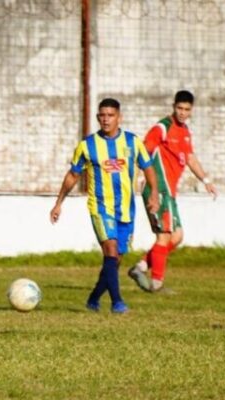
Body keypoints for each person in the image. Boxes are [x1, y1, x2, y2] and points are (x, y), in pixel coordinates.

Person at [50, 98, 159, 313]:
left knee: (115, 260)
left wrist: (154, 193)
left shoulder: (132, 142)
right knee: (109, 251)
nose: (105, 119)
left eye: (110, 115)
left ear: (119, 117)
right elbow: (73, 175)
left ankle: (93, 299)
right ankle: (117, 302)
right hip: (101, 208)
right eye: (102, 115)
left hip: (127, 210)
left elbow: (148, 167)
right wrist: (58, 203)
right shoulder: (87, 146)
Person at [128, 90, 217, 292]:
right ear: (173, 106)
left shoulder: (185, 132)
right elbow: (144, 151)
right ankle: (157, 284)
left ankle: (141, 267)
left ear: (191, 110)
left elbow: (191, 158)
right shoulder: (162, 128)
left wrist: (206, 180)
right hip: (158, 188)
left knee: (176, 236)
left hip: (169, 191)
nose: (183, 112)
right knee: (164, 236)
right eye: (180, 108)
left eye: (187, 109)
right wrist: (144, 180)